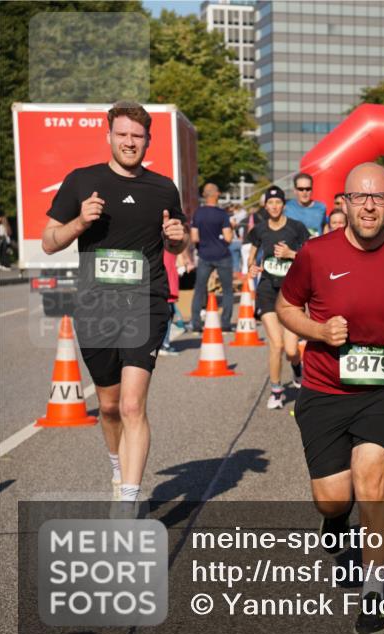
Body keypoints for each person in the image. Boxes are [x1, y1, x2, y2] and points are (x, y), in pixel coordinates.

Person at [276, 162, 384, 634]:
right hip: (325, 389)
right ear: (344, 203)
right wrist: (318, 330)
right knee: (331, 500)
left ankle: (374, 590)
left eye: (379, 197)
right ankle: (336, 520)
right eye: (360, 197)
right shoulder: (315, 253)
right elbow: (286, 306)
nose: (370, 205)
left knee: (373, 480)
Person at [41, 101, 189, 511]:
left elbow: (177, 242)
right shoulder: (81, 181)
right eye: (122, 135)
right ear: (109, 136)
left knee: (131, 404)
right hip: (96, 305)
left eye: (137, 137)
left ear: (148, 141)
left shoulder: (163, 188)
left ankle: (128, 501)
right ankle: (115, 467)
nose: (129, 142)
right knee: (108, 406)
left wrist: (178, 237)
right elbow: (49, 241)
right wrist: (80, 223)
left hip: (146, 302)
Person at [246, 185, 311, 409]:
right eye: (270, 203)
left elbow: (310, 255)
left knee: (292, 350)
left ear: (284, 205)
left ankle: (297, 369)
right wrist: (252, 268)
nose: (274, 206)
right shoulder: (260, 230)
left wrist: (290, 254)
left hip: (291, 293)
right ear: (265, 206)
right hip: (267, 291)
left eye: (278, 202)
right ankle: (276, 391)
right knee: (276, 344)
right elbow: (252, 256)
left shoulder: (296, 228)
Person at [189, 183, 234, 333]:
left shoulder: (198, 213)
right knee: (227, 290)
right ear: (217, 195)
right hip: (222, 255)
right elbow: (228, 238)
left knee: (199, 290)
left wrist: (202, 247)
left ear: (204, 195)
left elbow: (194, 237)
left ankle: (196, 324)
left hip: (204, 255)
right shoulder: (222, 214)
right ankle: (225, 325)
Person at [285, 172, 329, 237]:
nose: (304, 192)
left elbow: (325, 227)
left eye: (308, 189)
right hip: (294, 247)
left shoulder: (321, 207)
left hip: (315, 246)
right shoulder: (287, 207)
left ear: (312, 189)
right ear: (294, 190)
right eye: (301, 189)